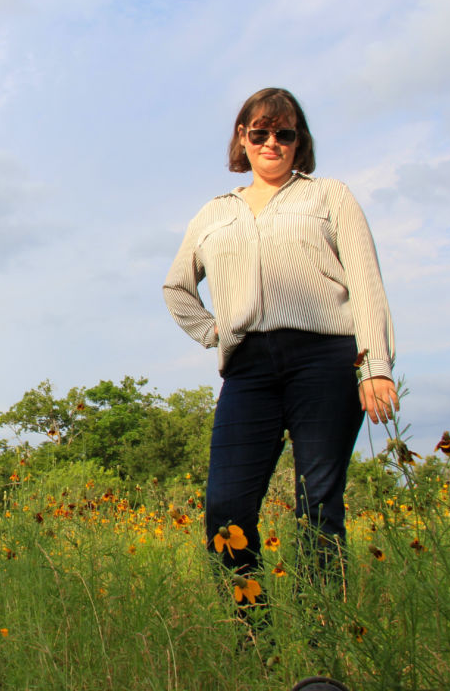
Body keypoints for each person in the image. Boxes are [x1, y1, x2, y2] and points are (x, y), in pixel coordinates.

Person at [163, 87, 397, 595]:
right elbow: (176, 288)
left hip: (326, 360)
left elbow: (365, 281)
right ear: (242, 139)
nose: (272, 142)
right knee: (225, 509)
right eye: (260, 132)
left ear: (299, 141)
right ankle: (257, 637)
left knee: (317, 505)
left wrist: (375, 365)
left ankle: (322, 642)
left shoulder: (329, 195)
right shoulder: (212, 213)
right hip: (247, 367)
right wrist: (214, 333)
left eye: (284, 133)